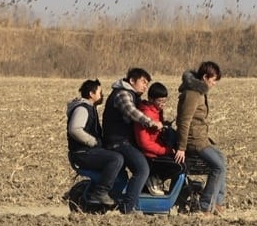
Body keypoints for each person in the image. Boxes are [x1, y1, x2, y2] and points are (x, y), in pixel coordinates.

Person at [102, 67, 163, 213]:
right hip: (117, 141)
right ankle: (128, 208)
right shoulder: (123, 94)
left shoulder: (134, 96)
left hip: (124, 141)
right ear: (131, 81)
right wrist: (151, 122)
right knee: (142, 169)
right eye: (143, 82)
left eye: (147, 84)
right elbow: (132, 112)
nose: (145, 86)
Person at [175, 61, 226, 215]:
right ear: (205, 77)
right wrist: (182, 147)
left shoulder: (199, 92)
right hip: (193, 141)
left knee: (221, 159)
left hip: (201, 139)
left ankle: (218, 203)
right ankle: (205, 207)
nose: (214, 84)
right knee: (217, 166)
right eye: (213, 80)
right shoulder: (192, 94)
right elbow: (184, 121)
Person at [65, 79, 121, 207]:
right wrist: (93, 142)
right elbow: (75, 130)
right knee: (116, 159)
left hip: (87, 150)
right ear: (91, 94)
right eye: (100, 92)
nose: (102, 95)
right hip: (82, 152)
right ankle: (101, 192)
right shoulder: (82, 109)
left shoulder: (90, 108)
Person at [134, 82, 181, 194]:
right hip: (150, 154)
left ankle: (156, 179)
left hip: (156, 150)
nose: (162, 104)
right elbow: (144, 142)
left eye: (164, 101)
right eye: (160, 101)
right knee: (177, 166)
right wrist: (165, 150)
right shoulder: (145, 115)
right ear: (151, 99)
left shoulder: (157, 111)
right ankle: (153, 179)